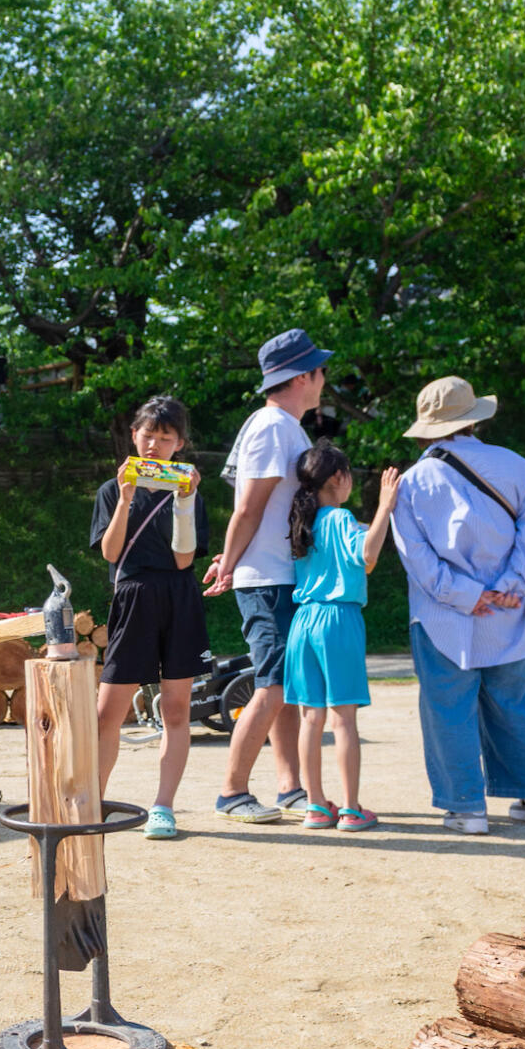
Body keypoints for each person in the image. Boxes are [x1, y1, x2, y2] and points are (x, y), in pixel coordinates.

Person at [390, 376, 525, 835]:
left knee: (448, 706)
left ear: (427, 427)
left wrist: (465, 595)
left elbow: (417, 559)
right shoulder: (518, 467)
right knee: (517, 702)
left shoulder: (412, 482)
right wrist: (512, 585)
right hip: (512, 610)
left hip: (442, 614)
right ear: (474, 419)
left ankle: (465, 808)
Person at [201, 329, 333, 824]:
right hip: (269, 578)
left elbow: (259, 510)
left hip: (282, 574)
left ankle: (290, 788)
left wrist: (229, 556)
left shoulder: (285, 426)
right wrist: (231, 562)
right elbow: (251, 507)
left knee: (287, 686)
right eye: (320, 370)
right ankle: (232, 793)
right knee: (272, 685)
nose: (324, 379)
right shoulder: (273, 426)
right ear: (303, 376)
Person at [90, 395, 211, 839]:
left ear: (180, 443)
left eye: (166, 437)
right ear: (134, 436)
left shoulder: (189, 492)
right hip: (132, 596)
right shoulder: (110, 490)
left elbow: (184, 561)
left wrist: (186, 499)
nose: (155, 444)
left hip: (179, 597)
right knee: (108, 713)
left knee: (177, 708)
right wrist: (124, 498)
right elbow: (110, 551)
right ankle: (93, 803)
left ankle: (163, 806)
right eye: (148, 434)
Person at [282, 443, 402, 831]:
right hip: (338, 619)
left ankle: (316, 806)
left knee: (310, 717)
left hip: (304, 621)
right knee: (343, 719)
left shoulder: (304, 521)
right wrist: (385, 505)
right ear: (339, 478)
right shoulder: (339, 518)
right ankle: (351, 809)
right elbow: (367, 557)